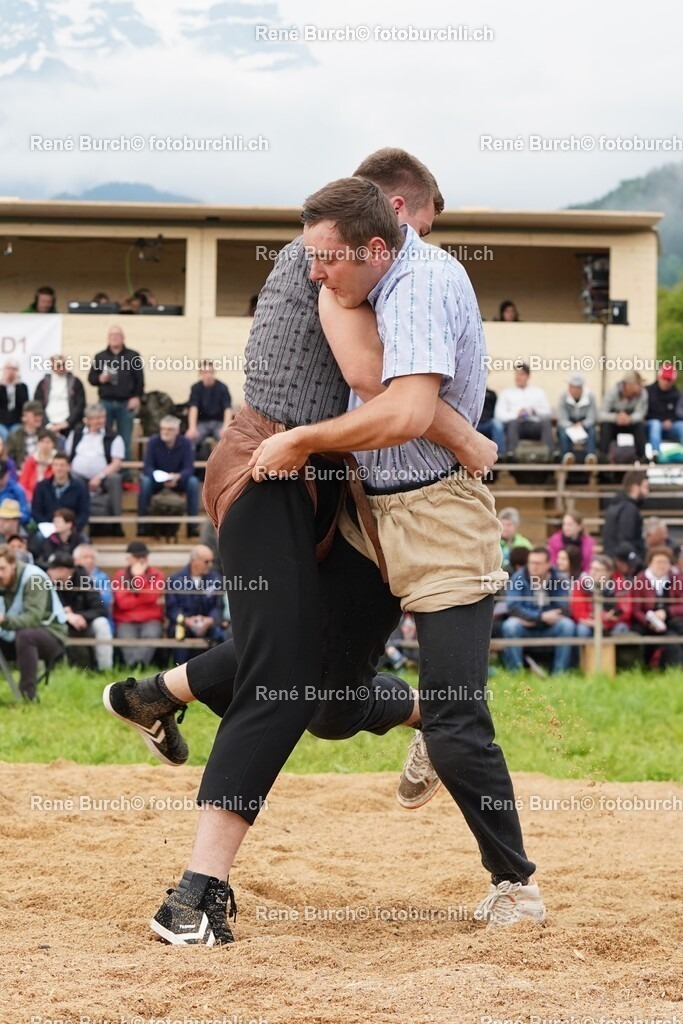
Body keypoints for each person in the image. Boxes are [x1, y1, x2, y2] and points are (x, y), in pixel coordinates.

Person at [102, 151, 509, 942]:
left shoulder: (368, 262)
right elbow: (370, 377)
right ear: (387, 214)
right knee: (282, 676)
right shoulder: (323, 265)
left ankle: (152, 694)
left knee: (322, 683)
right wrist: (463, 431)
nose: (415, 254)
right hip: (267, 469)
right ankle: (194, 894)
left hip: (318, 481)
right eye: (413, 231)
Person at [247, 177, 543, 922]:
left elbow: (408, 409)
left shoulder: (420, 285)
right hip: (369, 511)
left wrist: (303, 439)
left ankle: (513, 882)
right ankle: (415, 719)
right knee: (324, 697)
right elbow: (366, 376)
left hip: (440, 512)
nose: (314, 271)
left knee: (459, 721)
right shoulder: (358, 275)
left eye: (327, 259)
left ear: (379, 244)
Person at [0, 544, 66, 700]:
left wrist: (3, 620)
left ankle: (27, 696)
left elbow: (33, 618)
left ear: (13, 565)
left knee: (26, 635)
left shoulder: (34, 578)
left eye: (2, 569)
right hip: (11, 634)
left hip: (51, 634)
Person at [502, 546, 576, 674]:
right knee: (510, 626)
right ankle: (515, 673)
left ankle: (560, 673)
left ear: (548, 564)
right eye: (531, 562)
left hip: (550, 625)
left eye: (538, 563)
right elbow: (513, 606)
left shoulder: (559, 578)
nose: (534, 566)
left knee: (567, 625)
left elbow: (564, 607)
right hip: (526, 626)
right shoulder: (518, 578)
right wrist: (539, 617)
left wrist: (540, 617)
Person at [46, 551, 113, 671]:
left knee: (102, 624)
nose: (48, 572)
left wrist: (79, 616)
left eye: (53, 569)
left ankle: (106, 670)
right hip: (61, 624)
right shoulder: (47, 583)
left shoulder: (84, 580)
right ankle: (55, 669)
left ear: (65, 570)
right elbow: (45, 611)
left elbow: (101, 609)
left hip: (85, 623)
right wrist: (66, 616)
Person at [87, 326, 144, 460]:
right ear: (108, 338)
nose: (115, 337)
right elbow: (91, 379)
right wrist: (100, 378)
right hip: (105, 403)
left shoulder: (133, 356)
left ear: (123, 338)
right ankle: (105, 467)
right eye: (112, 335)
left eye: (117, 335)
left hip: (126, 403)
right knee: (104, 436)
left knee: (125, 439)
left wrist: (137, 397)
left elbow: (140, 381)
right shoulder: (100, 356)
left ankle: (126, 475)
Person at [66, 403, 124, 532]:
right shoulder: (76, 434)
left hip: (104, 476)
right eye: (97, 418)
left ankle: (116, 523)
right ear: (87, 420)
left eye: (102, 417)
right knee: (73, 481)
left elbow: (116, 463)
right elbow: (68, 457)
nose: (101, 421)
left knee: (115, 479)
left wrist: (99, 476)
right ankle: (76, 523)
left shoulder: (113, 437)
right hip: (78, 475)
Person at [138, 416, 200, 537]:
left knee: (193, 482)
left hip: (178, 480)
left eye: (169, 429)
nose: (165, 432)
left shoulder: (186, 443)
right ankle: (142, 526)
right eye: (163, 429)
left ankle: (192, 526)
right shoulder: (153, 441)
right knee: (145, 482)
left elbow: (189, 468)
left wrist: (177, 476)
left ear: (177, 431)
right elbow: (147, 467)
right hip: (157, 479)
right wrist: (161, 477)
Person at [166, 545, 224, 664]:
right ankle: (179, 669)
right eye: (206, 561)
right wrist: (186, 620)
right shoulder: (175, 579)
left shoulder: (216, 579)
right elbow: (172, 608)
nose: (210, 565)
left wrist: (210, 619)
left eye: (212, 561)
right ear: (194, 561)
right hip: (184, 623)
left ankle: (216, 667)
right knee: (178, 633)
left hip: (207, 623)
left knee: (219, 632)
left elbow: (218, 605)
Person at [112, 541, 165, 668]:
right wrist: (142, 600)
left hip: (150, 619)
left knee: (151, 635)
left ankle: (138, 666)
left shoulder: (157, 575)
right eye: (137, 557)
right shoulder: (120, 576)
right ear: (129, 559)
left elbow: (151, 596)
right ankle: (135, 667)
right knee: (126, 638)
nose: (141, 560)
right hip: (126, 619)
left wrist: (139, 577)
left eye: (144, 557)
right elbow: (123, 603)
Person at [631, 547, 683, 668]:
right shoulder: (640, 580)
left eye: (665, 562)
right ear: (650, 563)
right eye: (658, 562)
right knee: (671, 640)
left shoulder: (676, 579)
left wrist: (667, 612)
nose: (662, 566)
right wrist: (649, 622)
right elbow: (636, 610)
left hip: (670, 620)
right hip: (646, 623)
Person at [494, 364, 554, 456]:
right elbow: (499, 415)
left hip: (534, 425)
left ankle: (551, 454)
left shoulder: (538, 392)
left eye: (521, 374)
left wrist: (535, 411)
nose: (518, 377)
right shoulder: (506, 393)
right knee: (512, 423)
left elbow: (548, 412)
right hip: (516, 425)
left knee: (546, 422)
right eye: (517, 374)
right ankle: (511, 454)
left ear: (528, 376)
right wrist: (516, 414)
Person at [570, 555, 632, 639]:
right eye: (592, 568)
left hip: (613, 624)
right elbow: (578, 613)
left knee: (621, 628)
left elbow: (626, 612)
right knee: (582, 629)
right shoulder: (581, 585)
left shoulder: (621, 586)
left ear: (609, 572)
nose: (593, 572)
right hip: (590, 623)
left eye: (598, 570)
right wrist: (603, 617)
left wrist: (607, 621)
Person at [32, 452, 90, 533]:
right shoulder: (41, 487)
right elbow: (36, 511)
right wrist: (49, 527)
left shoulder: (80, 488)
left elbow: (84, 512)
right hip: (47, 530)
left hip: (72, 530)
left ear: (69, 467)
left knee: (83, 543)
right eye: (56, 465)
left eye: (62, 465)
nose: (59, 468)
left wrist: (71, 527)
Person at [599, 370, 648, 460]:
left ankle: (642, 458)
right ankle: (602, 458)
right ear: (628, 385)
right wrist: (616, 417)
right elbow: (601, 414)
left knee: (640, 426)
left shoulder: (642, 393)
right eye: (638, 384)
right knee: (605, 426)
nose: (640, 387)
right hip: (614, 423)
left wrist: (629, 418)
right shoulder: (612, 392)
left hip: (631, 423)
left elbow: (641, 413)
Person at [601, 470, 649, 562]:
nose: (647, 492)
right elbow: (626, 539)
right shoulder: (629, 509)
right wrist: (637, 561)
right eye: (645, 487)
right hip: (623, 561)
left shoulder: (615, 505)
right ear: (635, 487)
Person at [34, 355, 86, 437]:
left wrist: (67, 423)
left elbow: (80, 405)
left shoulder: (75, 382)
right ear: (52, 366)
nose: (62, 367)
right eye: (58, 365)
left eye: (64, 364)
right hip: (48, 424)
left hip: (69, 424)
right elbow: (38, 405)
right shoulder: (43, 383)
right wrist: (49, 425)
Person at [185, 362, 233, 447]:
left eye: (211, 372)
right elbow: (193, 408)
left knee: (228, 440)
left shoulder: (222, 387)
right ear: (200, 374)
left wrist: (226, 427)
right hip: (202, 423)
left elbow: (227, 408)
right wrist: (192, 428)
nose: (208, 375)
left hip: (219, 423)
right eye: (205, 372)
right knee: (188, 441)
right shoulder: (196, 388)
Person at [556, 374, 598, 464]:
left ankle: (590, 456)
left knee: (592, 431)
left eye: (577, 387)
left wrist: (582, 424)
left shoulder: (590, 397)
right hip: (569, 424)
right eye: (572, 387)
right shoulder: (563, 397)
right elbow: (562, 419)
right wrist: (571, 425)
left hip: (584, 424)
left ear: (582, 388)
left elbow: (592, 417)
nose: (575, 390)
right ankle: (566, 456)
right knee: (562, 432)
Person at [7, 401, 60, 469]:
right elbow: (9, 457)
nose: (38, 418)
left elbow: (57, 454)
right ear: (25, 415)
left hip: (46, 469)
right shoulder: (15, 436)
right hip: (22, 471)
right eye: (35, 414)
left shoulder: (48, 434)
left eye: (40, 415)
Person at [645, 364, 683, 456]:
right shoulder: (647, 391)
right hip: (651, 425)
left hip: (670, 427)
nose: (666, 382)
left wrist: (671, 421)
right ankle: (656, 454)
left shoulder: (677, 394)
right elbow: (644, 411)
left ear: (673, 381)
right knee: (656, 424)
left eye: (669, 380)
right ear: (659, 377)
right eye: (664, 378)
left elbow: (679, 412)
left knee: (681, 426)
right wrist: (662, 421)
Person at [73, 543, 113, 626]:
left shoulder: (102, 577)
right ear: (75, 560)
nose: (89, 560)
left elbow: (105, 600)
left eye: (92, 558)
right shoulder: (70, 578)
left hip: (96, 616)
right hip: (74, 618)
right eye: (85, 557)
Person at [18, 430, 56, 502]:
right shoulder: (30, 460)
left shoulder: (57, 461)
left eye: (48, 442)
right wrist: (31, 497)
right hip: (30, 497)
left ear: (53, 444)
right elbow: (23, 483)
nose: (45, 445)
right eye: (42, 441)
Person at [0, 360, 29, 441]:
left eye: (14, 369)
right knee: (4, 435)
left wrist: (17, 387)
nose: (11, 372)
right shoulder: (1, 386)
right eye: (8, 369)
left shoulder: (22, 387)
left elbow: (24, 404)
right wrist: (3, 386)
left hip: (16, 422)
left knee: (15, 434)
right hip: (1, 421)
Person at [0, 459, 31, 524]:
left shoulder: (17, 490)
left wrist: (11, 516)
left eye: (1, 477)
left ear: (7, 474)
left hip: (10, 526)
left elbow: (25, 515)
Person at [477, 387, 504, 453]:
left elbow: (496, 410)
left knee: (496, 423)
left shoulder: (492, 394)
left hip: (488, 423)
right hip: (473, 423)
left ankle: (499, 454)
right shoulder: (472, 392)